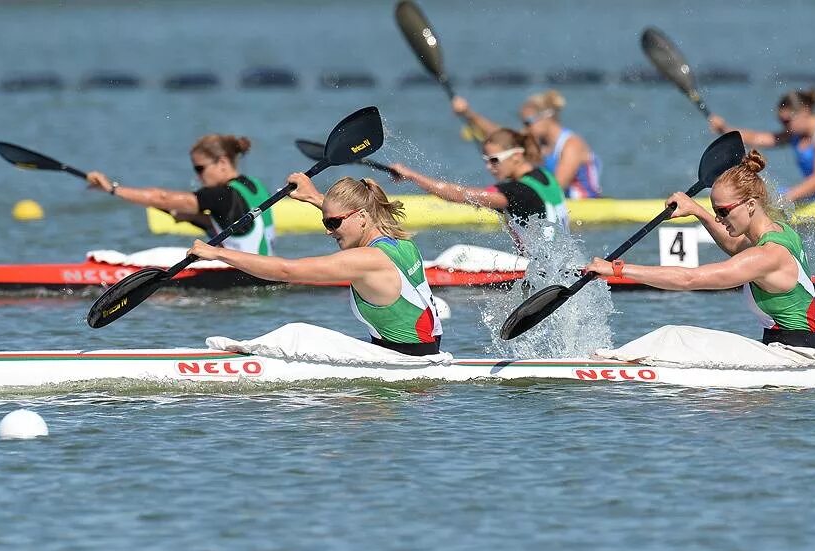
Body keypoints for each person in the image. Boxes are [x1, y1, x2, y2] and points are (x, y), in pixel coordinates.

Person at [585, 150, 815, 348]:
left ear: (751, 205)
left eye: (723, 211)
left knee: (673, 337)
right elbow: (734, 246)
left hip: (794, 357)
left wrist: (617, 269)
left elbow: (689, 279)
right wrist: (697, 210)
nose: (719, 218)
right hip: (792, 348)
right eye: (715, 210)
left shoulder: (765, 256)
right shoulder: (780, 232)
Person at [187, 175, 443, 356]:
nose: (329, 232)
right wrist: (314, 197)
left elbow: (287, 271)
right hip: (422, 352)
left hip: (403, 362)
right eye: (326, 223)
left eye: (332, 223)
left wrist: (219, 254)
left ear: (362, 217)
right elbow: (354, 215)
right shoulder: (400, 242)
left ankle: (237, 359)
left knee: (297, 334)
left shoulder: (367, 260)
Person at [86, 134, 276, 255]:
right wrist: (182, 215)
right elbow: (235, 227)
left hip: (245, 276)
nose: (197, 175)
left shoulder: (222, 194)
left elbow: (162, 198)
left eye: (200, 168)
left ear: (223, 162)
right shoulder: (256, 185)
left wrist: (111, 188)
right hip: (265, 270)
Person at [389, 128, 569, 255]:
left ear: (516, 156)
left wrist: (412, 175)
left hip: (542, 270)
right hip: (560, 262)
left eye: (494, 160)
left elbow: (460, 195)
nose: (489, 167)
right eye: (486, 160)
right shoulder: (546, 175)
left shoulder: (516, 191)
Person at [707, 88, 815, 202]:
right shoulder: (796, 135)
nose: (784, 126)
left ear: (805, 112)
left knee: (774, 199)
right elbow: (758, 138)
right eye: (781, 122)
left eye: (786, 121)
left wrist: (786, 199)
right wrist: (725, 129)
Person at [452, 89, 602, 199]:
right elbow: (501, 136)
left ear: (546, 116)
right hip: (560, 204)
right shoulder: (538, 143)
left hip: (585, 206)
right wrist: (468, 113)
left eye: (528, 122)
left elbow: (556, 188)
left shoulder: (572, 144)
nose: (525, 128)